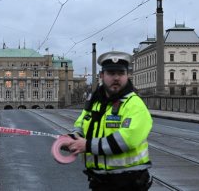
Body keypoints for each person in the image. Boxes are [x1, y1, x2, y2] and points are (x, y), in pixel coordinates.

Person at [64, 51, 153, 191]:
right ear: (102, 76)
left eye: (121, 73)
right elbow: (81, 125)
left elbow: (127, 139)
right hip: (100, 181)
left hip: (129, 181)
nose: (116, 77)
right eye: (111, 73)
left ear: (127, 75)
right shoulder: (95, 102)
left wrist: (86, 145)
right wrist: (73, 138)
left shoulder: (134, 104)